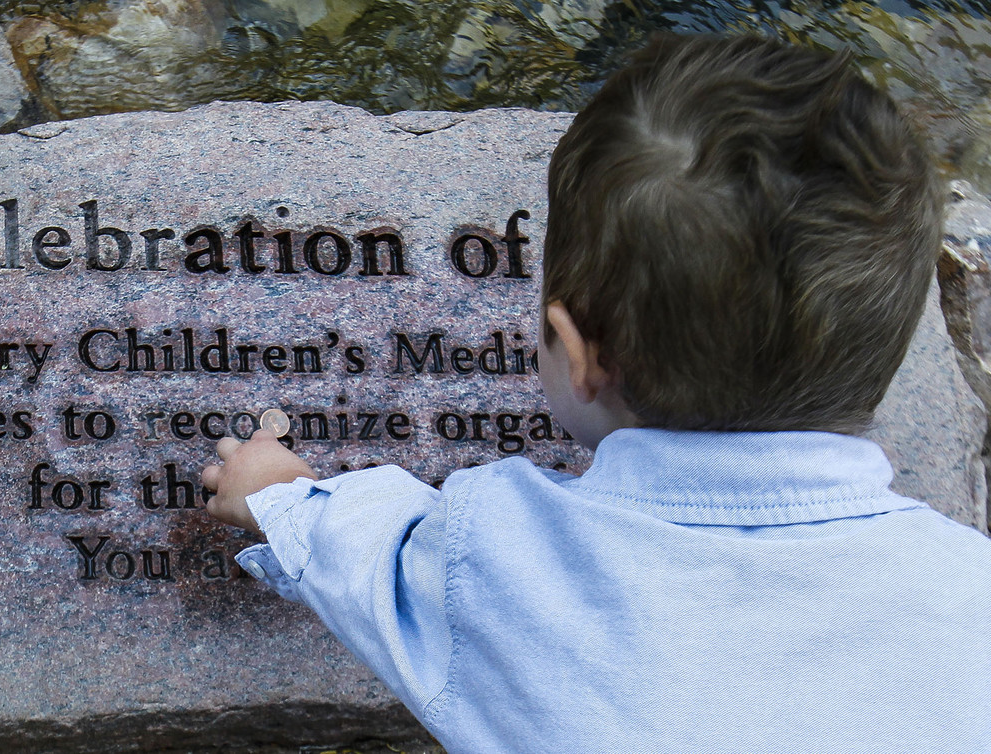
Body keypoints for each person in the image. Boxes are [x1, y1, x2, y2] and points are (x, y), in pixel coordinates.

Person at [199, 33, 991, 752]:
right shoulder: (972, 591)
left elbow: (377, 559)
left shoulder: (503, 555)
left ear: (579, 355)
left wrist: (279, 495)